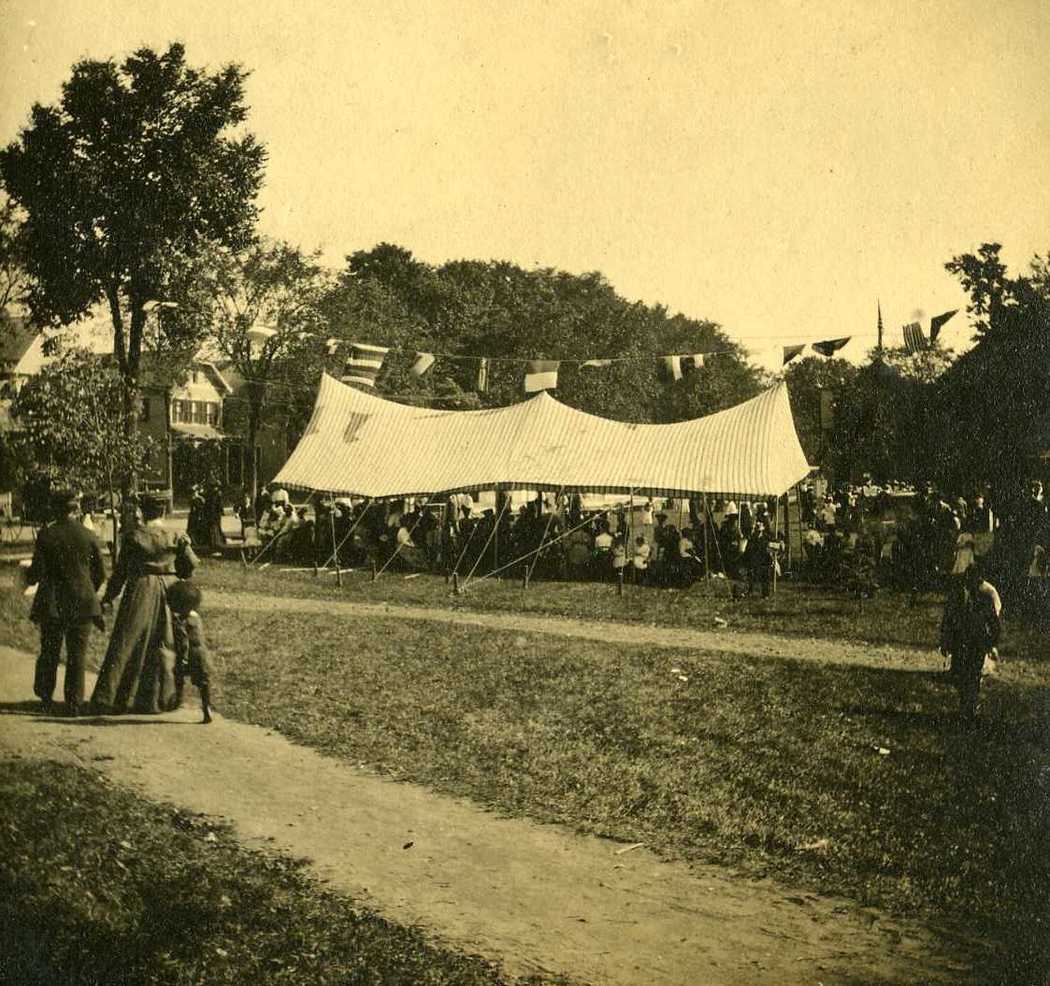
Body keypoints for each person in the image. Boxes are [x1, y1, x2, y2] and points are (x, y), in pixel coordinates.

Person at [91, 493, 198, 715]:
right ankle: (163, 698)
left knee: (128, 639)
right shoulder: (176, 534)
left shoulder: (134, 536)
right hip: (170, 589)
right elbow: (190, 567)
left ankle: (113, 697)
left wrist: (109, 596)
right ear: (163, 511)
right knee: (167, 642)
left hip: (140, 588)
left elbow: (120, 572)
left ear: (143, 511)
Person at [24, 490, 106, 716]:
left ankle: (45, 698)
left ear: (55, 509)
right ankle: (74, 703)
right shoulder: (89, 535)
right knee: (77, 655)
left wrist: (28, 576)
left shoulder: (47, 535)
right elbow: (100, 574)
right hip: (83, 603)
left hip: (53, 604)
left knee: (49, 651)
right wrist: (88, 589)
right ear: (76, 509)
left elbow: (35, 574)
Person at [940, 562, 1002, 721]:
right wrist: (945, 642)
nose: (972, 585)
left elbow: (994, 623)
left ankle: (969, 708)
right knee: (959, 674)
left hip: (977, 644)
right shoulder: (957, 596)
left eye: (976, 582)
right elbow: (948, 620)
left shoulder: (985, 598)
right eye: (970, 581)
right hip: (959, 643)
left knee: (973, 675)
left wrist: (992, 644)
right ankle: (965, 704)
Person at [168, 579, 214, 724]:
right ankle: (206, 708)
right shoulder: (196, 617)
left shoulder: (181, 622)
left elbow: (184, 641)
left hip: (189, 655)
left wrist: (183, 659)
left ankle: (178, 699)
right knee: (203, 682)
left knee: (179, 676)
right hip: (202, 654)